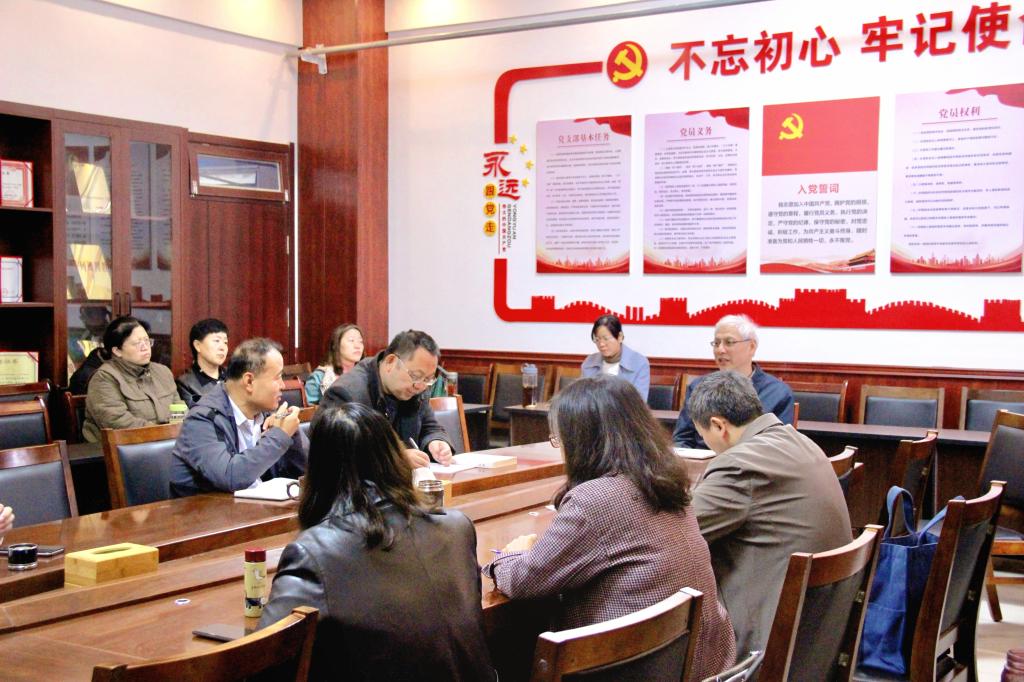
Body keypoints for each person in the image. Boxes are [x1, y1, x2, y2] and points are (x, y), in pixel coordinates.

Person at [482, 375, 735, 680]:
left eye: (560, 439)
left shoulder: (595, 500)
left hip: (637, 670)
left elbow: (525, 581)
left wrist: (507, 557)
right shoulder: (667, 481)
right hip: (703, 665)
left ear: (582, 442)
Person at [259, 403, 495, 681]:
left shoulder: (313, 552)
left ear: (318, 470)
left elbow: (267, 658)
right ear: (394, 457)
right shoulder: (457, 527)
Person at [688, 370, 851, 657]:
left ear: (718, 426)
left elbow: (677, 532)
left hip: (767, 643)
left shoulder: (739, 464)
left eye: (703, 437)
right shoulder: (801, 442)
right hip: (821, 632)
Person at [169, 338, 308, 497]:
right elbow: (230, 477)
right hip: (207, 511)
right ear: (249, 381)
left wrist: (291, 434)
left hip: (257, 508)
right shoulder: (202, 419)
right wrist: (280, 436)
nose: (283, 385)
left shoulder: (266, 413)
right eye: (277, 377)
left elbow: (309, 474)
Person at [319, 329, 453, 467]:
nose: (420, 386)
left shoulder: (417, 389)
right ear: (390, 362)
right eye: (415, 376)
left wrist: (435, 442)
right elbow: (339, 453)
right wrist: (395, 458)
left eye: (428, 379)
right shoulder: (347, 393)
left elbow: (429, 427)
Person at [673, 314, 794, 449]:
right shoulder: (698, 387)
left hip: (751, 460)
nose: (720, 350)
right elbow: (682, 439)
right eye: (716, 343)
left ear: (752, 347)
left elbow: (780, 446)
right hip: (704, 460)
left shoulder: (777, 393)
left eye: (729, 342)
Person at [82, 316, 178, 443]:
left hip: (166, 443)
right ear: (117, 351)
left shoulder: (163, 372)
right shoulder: (104, 378)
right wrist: (164, 434)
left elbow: (179, 409)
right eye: (137, 343)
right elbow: (117, 422)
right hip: (120, 448)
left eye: (147, 341)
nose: (145, 347)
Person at [579, 314, 650, 400]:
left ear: (620, 337)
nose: (601, 344)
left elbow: (639, 402)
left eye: (606, 339)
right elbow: (582, 399)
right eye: (597, 339)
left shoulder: (639, 363)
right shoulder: (589, 363)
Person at [304, 323, 364, 405]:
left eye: (361, 342)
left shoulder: (366, 375)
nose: (358, 346)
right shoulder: (320, 377)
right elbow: (308, 410)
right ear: (336, 345)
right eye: (351, 340)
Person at [176, 318, 229, 408]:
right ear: (197, 345)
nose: (222, 347)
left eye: (225, 342)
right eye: (217, 341)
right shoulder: (186, 384)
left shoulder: (234, 376)